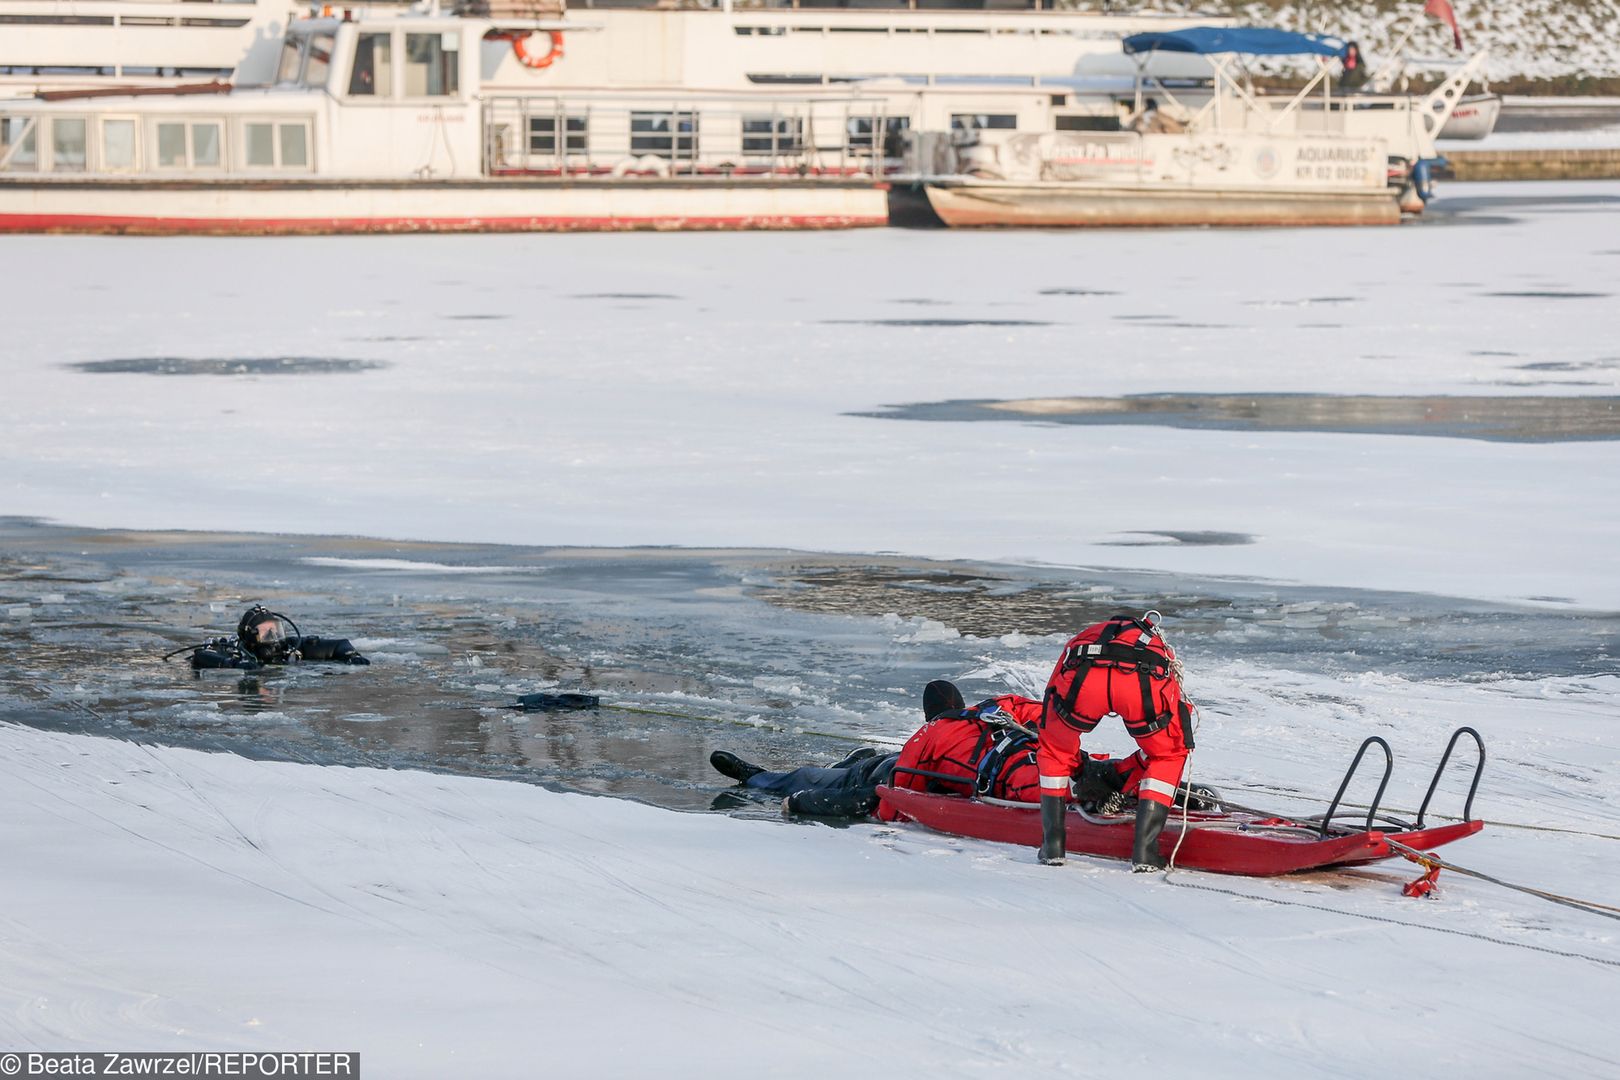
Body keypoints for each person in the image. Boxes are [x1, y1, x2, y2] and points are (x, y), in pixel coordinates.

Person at [710, 680, 1127, 820]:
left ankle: (852, 760)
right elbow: (891, 798)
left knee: (833, 772)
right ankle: (754, 775)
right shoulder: (991, 711)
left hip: (899, 767)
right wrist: (805, 804)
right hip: (877, 775)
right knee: (813, 778)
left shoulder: (955, 725)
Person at [1036, 612, 1194, 872]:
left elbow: (1054, 686)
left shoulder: (1087, 635)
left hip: (1084, 680)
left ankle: (1052, 846)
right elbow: (1172, 697)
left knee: (1054, 750)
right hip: (1140, 683)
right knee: (1168, 754)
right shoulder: (1156, 642)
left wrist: (1054, 728)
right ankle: (1146, 852)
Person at [181, 604, 370, 670]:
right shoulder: (235, 650)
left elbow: (339, 645)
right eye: (267, 632)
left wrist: (351, 655)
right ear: (251, 636)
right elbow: (201, 656)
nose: (274, 637)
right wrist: (235, 664)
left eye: (276, 630)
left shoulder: (289, 647)